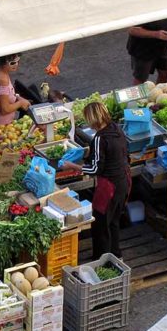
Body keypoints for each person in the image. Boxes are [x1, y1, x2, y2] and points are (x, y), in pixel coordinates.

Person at [61, 102, 130, 259]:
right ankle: (116, 256)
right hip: (124, 181)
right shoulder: (116, 128)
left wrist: (71, 165)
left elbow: (95, 170)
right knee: (113, 221)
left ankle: (102, 260)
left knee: (101, 225)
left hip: (109, 186)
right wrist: (88, 154)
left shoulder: (100, 138)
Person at [0, 53, 31, 126]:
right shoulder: (2, 80)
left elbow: (2, 94)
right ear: (2, 63)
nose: (16, 64)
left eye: (18, 60)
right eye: (12, 63)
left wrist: (17, 97)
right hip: (0, 123)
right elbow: (5, 109)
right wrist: (21, 103)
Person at [127, 19, 167, 85]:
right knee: (140, 80)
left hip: (161, 45)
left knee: (165, 74)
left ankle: (158, 93)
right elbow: (132, 30)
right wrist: (156, 34)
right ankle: (138, 95)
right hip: (143, 49)